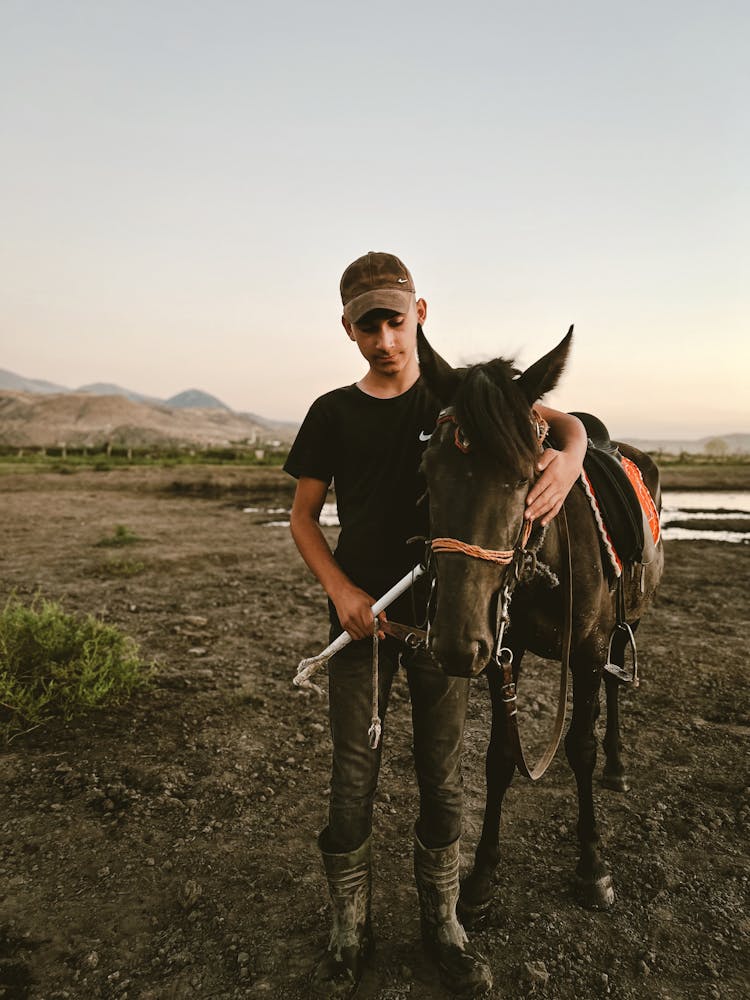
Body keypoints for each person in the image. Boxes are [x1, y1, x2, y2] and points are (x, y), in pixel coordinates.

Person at [284, 251, 587, 998]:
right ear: (349, 329)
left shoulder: (454, 403)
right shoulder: (332, 411)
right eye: (367, 324)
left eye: (395, 318)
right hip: (362, 625)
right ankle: (349, 929)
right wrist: (343, 591)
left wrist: (574, 456)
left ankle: (443, 925)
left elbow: (559, 420)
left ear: (419, 314)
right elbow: (301, 516)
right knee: (352, 778)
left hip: (439, 623)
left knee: (442, 778)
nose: (384, 337)